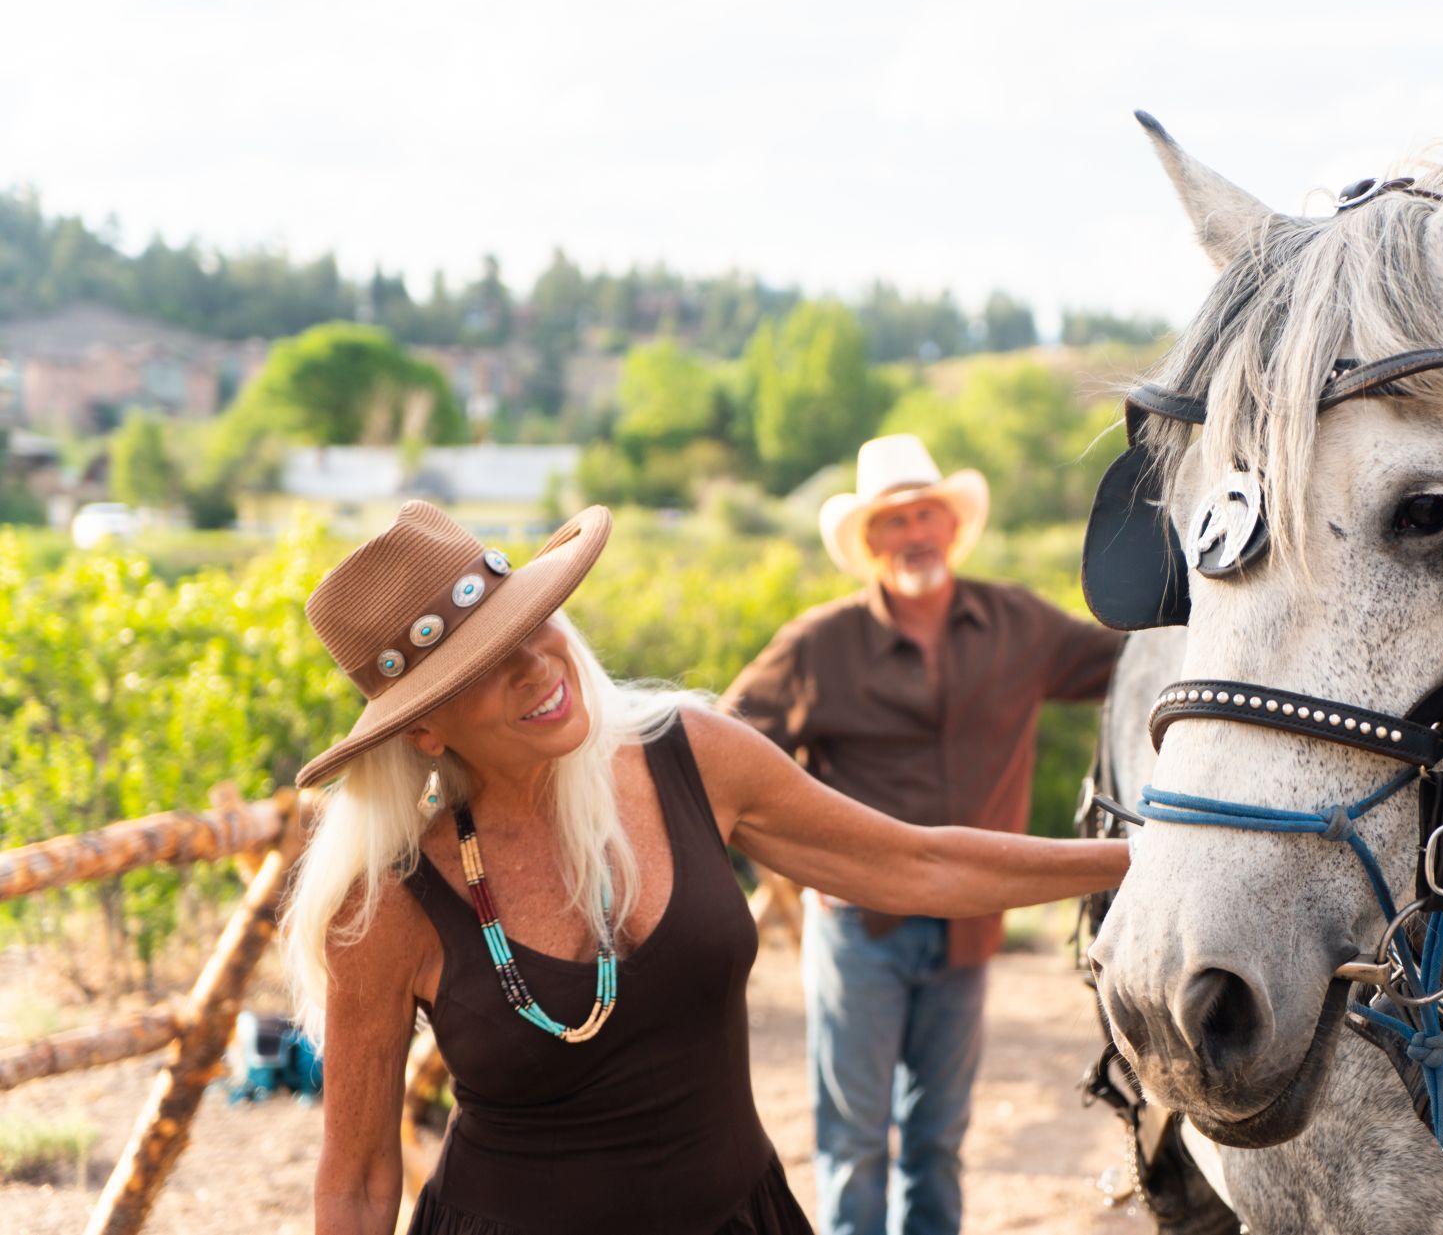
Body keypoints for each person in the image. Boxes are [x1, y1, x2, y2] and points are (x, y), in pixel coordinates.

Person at [282, 499, 1129, 1235]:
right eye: (480, 665)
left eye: (529, 621)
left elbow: (919, 861)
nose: (536, 666)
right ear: (425, 729)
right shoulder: (387, 903)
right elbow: (356, 1180)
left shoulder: (691, 757)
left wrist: (1140, 860)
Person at [724, 434, 1125, 1235]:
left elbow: (1132, 662)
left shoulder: (1017, 624)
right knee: (854, 1141)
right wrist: (794, 849)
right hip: (856, 930)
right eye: (893, 521)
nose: (913, 533)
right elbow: (720, 742)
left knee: (938, 1141)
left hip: (969, 929)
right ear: (870, 542)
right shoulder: (817, 645)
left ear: (951, 525)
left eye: (926, 514)